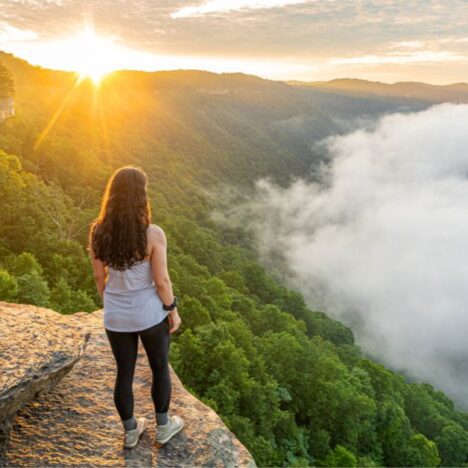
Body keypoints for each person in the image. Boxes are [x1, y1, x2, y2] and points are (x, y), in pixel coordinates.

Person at [87, 165, 184, 449]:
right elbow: (162, 280)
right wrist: (172, 310)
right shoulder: (152, 234)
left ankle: (131, 432)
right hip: (150, 314)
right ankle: (163, 427)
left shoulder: (98, 232)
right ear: (141, 196)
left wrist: (112, 303)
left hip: (117, 316)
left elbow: (98, 276)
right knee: (159, 369)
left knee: (124, 373)